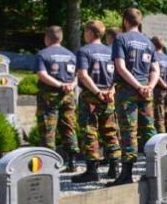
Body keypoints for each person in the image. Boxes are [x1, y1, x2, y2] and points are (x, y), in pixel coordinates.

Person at [109, 8, 159, 186]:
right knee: (149, 129)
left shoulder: (120, 39)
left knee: (128, 130)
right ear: (140, 22)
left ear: (125, 21)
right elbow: (155, 69)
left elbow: (121, 68)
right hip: (146, 90)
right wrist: (149, 87)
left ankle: (127, 174)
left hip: (127, 91)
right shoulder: (148, 42)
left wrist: (137, 86)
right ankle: (155, 170)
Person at [73, 21, 120, 183]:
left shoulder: (84, 51)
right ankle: (115, 167)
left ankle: (92, 170)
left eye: (85, 31)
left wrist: (97, 92)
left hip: (91, 96)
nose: (84, 34)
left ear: (90, 33)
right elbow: (118, 73)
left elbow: (83, 74)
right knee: (110, 131)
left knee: (89, 131)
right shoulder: (111, 51)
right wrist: (111, 90)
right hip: (109, 96)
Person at [35, 25, 79, 172]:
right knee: (69, 127)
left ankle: (49, 165)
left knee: (48, 128)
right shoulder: (71, 55)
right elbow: (77, 75)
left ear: (47, 38)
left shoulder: (43, 54)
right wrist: (71, 85)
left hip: (50, 96)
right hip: (69, 96)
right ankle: (72, 162)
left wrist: (60, 85)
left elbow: (42, 74)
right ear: (61, 38)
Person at [152, 36, 167, 134]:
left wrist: (165, 87)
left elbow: (156, 75)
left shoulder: (154, 57)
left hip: (159, 92)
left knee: (159, 119)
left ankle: (162, 144)